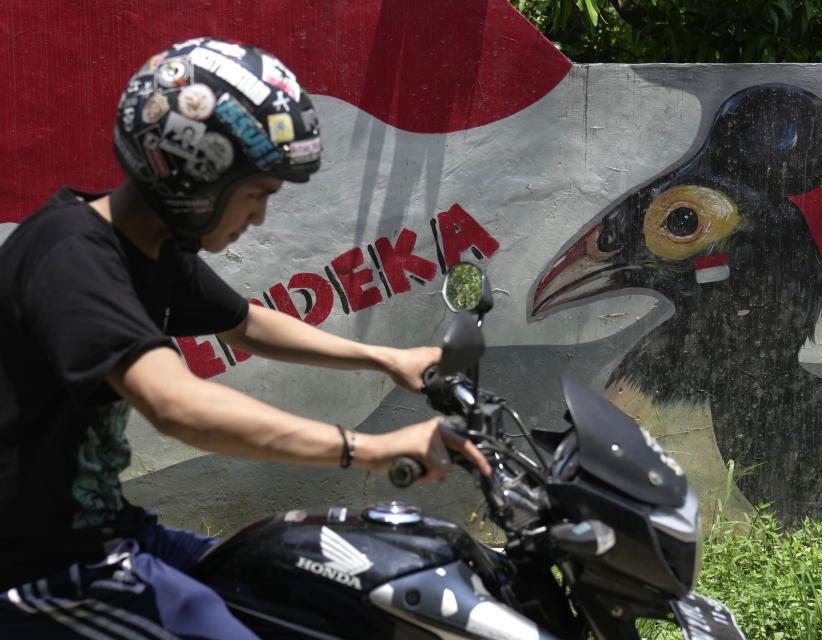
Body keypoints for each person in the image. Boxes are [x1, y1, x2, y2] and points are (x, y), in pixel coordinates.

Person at [0, 37, 490, 638]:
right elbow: (178, 405)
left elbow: (246, 323)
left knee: (294, 589)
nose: (258, 217)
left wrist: (388, 359)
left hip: (111, 533)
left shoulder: (149, 248)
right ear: (195, 175)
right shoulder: (71, 258)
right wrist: (369, 448)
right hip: (43, 570)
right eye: (256, 193)